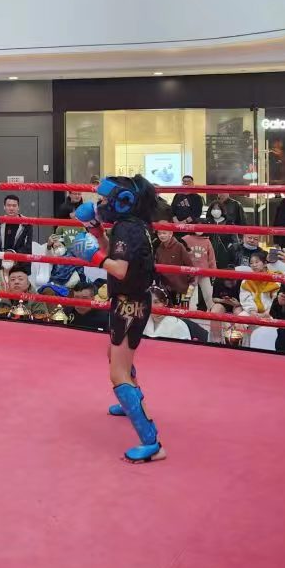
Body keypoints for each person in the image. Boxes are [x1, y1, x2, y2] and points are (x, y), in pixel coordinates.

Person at [76, 175, 165, 463]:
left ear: (124, 202)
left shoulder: (128, 229)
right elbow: (114, 252)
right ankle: (130, 403)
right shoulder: (132, 225)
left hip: (129, 305)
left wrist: (92, 257)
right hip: (130, 301)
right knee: (115, 356)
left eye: (104, 200)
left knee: (118, 374)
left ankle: (152, 443)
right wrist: (96, 231)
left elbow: (120, 270)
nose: (99, 204)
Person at [153, 221, 193, 302]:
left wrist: (190, 285)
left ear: (170, 233)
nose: (162, 235)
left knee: (182, 308)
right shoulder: (159, 248)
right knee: (165, 307)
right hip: (165, 287)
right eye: (159, 233)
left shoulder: (179, 246)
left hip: (181, 286)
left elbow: (189, 264)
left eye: (164, 233)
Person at [238, 249, 279, 318]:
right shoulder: (246, 281)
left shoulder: (274, 278)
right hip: (252, 312)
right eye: (251, 263)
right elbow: (245, 298)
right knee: (240, 319)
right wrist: (252, 311)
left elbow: (276, 299)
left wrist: (268, 312)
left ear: (265, 263)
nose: (254, 265)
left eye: (257, 262)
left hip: (270, 312)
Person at [0, 194, 32, 259]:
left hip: (20, 261)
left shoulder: (26, 224)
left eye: (14, 206)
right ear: (4, 207)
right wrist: (2, 258)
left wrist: (12, 256)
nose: (11, 208)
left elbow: (27, 248)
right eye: (8, 205)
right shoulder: (0, 223)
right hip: (2, 260)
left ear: (18, 207)